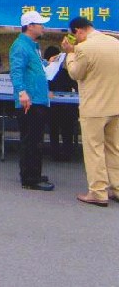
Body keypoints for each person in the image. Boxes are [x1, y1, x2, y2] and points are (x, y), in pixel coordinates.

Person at [61, 17, 119, 207]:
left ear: (78, 31)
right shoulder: (114, 43)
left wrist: (70, 53)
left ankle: (98, 192)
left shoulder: (84, 48)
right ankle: (117, 187)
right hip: (115, 105)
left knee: (94, 150)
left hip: (94, 107)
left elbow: (75, 73)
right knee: (114, 148)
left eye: (74, 35)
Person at [9, 10, 54, 191]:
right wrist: (22, 92)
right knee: (31, 140)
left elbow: (36, 67)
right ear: (30, 26)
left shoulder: (32, 46)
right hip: (30, 100)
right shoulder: (20, 46)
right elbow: (16, 71)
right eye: (40, 24)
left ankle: (34, 172)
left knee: (35, 139)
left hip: (37, 99)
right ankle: (30, 178)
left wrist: (49, 63)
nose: (43, 27)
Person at [43, 45, 78, 162]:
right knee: (67, 130)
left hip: (52, 108)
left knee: (53, 130)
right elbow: (76, 87)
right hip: (67, 108)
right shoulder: (65, 73)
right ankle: (67, 152)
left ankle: (55, 152)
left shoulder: (44, 74)